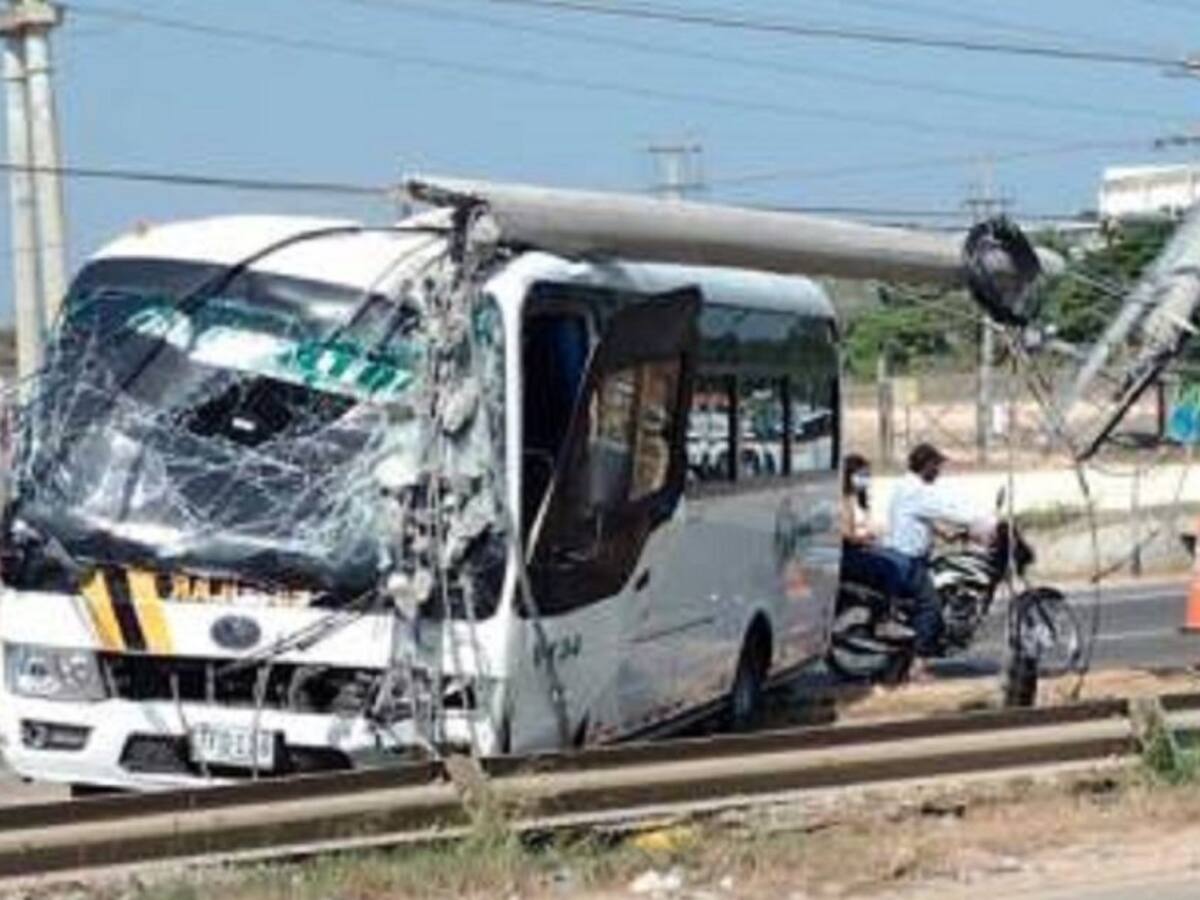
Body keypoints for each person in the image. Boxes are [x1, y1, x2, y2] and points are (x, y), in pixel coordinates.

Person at [885, 442, 996, 677]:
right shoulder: (917, 491)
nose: (938, 471)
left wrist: (949, 534)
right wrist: (983, 521)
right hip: (908, 561)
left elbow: (922, 518)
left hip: (906, 557)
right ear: (926, 465)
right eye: (936, 465)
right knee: (931, 606)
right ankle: (918, 665)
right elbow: (947, 510)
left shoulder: (907, 486)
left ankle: (919, 648)